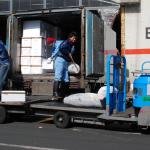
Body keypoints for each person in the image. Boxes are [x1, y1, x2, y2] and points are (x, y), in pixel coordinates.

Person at [47, 32, 77, 101]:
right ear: (70, 37)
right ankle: (55, 94)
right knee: (58, 77)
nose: (74, 39)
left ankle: (64, 94)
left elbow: (61, 50)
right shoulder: (65, 42)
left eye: (75, 38)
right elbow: (59, 50)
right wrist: (52, 58)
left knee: (66, 78)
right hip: (60, 60)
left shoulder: (67, 44)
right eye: (74, 38)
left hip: (65, 61)